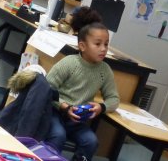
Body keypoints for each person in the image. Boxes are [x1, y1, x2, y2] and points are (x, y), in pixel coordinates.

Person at [46, 22, 120, 161]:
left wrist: (101, 107)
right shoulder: (69, 63)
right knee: (58, 135)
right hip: (55, 113)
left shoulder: (105, 70)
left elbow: (114, 98)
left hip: (77, 120)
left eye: (106, 44)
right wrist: (64, 106)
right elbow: (47, 89)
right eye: (98, 44)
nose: (103, 49)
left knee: (91, 141)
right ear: (82, 46)